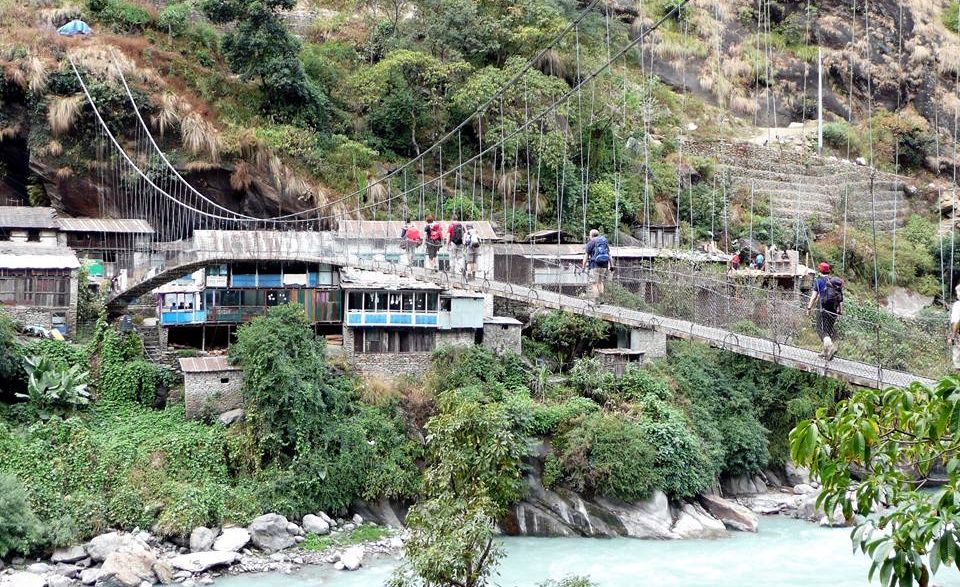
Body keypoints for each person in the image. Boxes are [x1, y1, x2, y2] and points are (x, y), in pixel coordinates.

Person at [807, 262, 843, 360]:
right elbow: (840, 298)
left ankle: (830, 347)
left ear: (820, 270)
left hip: (822, 309)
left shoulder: (819, 281)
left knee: (821, 330)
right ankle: (825, 351)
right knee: (828, 330)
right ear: (828, 270)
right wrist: (840, 311)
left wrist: (809, 308)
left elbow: (814, 297)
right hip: (834, 310)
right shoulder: (834, 281)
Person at [583, 229, 612, 302]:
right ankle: (602, 299)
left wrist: (583, 266)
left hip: (594, 265)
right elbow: (609, 254)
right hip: (604, 265)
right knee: (600, 282)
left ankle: (596, 301)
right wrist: (611, 265)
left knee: (594, 284)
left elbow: (586, 256)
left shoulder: (591, 242)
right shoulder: (604, 241)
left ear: (591, 235)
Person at [948, 285, 960, 371]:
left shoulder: (957, 305)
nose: (957, 295)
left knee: (957, 359)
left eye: (957, 293)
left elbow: (956, 322)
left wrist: (952, 337)